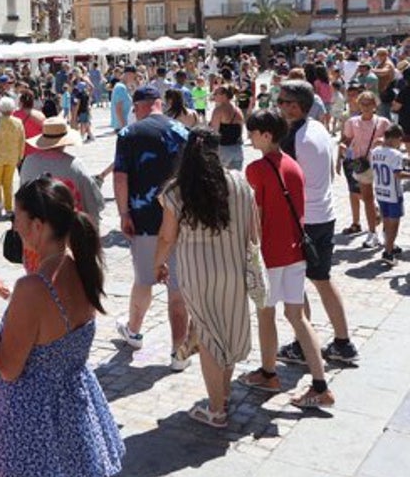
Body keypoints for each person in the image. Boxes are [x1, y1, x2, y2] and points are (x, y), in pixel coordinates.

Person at [0, 178, 123, 477]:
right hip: (74, 413)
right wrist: (6, 291)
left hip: (32, 421)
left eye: (17, 219)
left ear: (37, 225)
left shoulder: (33, 288)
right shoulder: (81, 267)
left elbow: (8, 367)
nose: (15, 227)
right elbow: (50, 325)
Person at [153, 128, 255, 427]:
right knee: (228, 329)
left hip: (197, 273)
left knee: (209, 337)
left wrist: (157, 265)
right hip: (234, 267)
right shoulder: (239, 182)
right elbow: (253, 232)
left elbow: (166, 237)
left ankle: (216, 409)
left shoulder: (175, 190)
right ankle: (222, 395)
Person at [241, 109, 333, 408]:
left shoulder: (256, 169)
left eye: (252, 133)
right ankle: (320, 384)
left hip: (270, 255)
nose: (249, 137)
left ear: (266, 135)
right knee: (297, 317)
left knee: (266, 315)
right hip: (296, 252)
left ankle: (269, 373)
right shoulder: (294, 165)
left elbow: (256, 218)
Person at [275, 80, 359, 365]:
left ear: (295, 106)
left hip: (302, 220)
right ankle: (343, 342)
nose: (278, 105)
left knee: (295, 284)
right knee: (322, 279)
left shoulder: (293, 137)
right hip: (324, 214)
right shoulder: (319, 128)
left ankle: (302, 344)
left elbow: (285, 183)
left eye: (282, 101)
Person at [112, 86, 191, 370]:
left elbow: (120, 178)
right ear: (159, 103)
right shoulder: (183, 131)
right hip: (179, 219)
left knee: (144, 279)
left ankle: (133, 331)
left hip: (143, 219)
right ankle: (178, 351)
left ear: (139, 106)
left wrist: (123, 214)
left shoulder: (128, 134)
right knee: (177, 289)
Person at [19, 117, 105, 223]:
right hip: (67, 228)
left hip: (36, 225)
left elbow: (22, 196)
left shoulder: (29, 162)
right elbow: (90, 201)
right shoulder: (74, 165)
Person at [338, 90, 390, 248]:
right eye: (363, 103)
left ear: (375, 105)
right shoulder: (352, 122)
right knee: (367, 199)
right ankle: (372, 232)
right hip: (362, 165)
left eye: (370, 103)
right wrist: (342, 147)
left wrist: (383, 141)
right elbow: (346, 140)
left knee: (384, 199)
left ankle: (386, 233)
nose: (366, 107)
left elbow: (394, 142)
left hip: (382, 165)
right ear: (358, 104)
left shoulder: (383, 122)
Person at [369, 122, 407, 266]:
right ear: (395, 138)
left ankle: (390, 245)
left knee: (386, 220)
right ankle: (388, 252)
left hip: (380, 191)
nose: (400, 144)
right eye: (400, 141)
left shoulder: (375, 151)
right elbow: (398, 174)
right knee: (394, 224)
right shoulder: (396, 154)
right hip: (393, 193)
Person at [209, 85, 246, 170]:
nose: (214, 95)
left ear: (224, 95)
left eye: (216, 93)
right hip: (237, 150)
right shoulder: (238, 110)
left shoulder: (218, 110)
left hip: (223, 150)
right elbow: (241, 132)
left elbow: (214, 133)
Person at [110, 66, 137, 132]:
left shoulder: (124, 87)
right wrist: (124, 127)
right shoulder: (120, 88)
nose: (134, 79)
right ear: (129, 74)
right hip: (122, 126)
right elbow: (118, 109)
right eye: (134, 77)